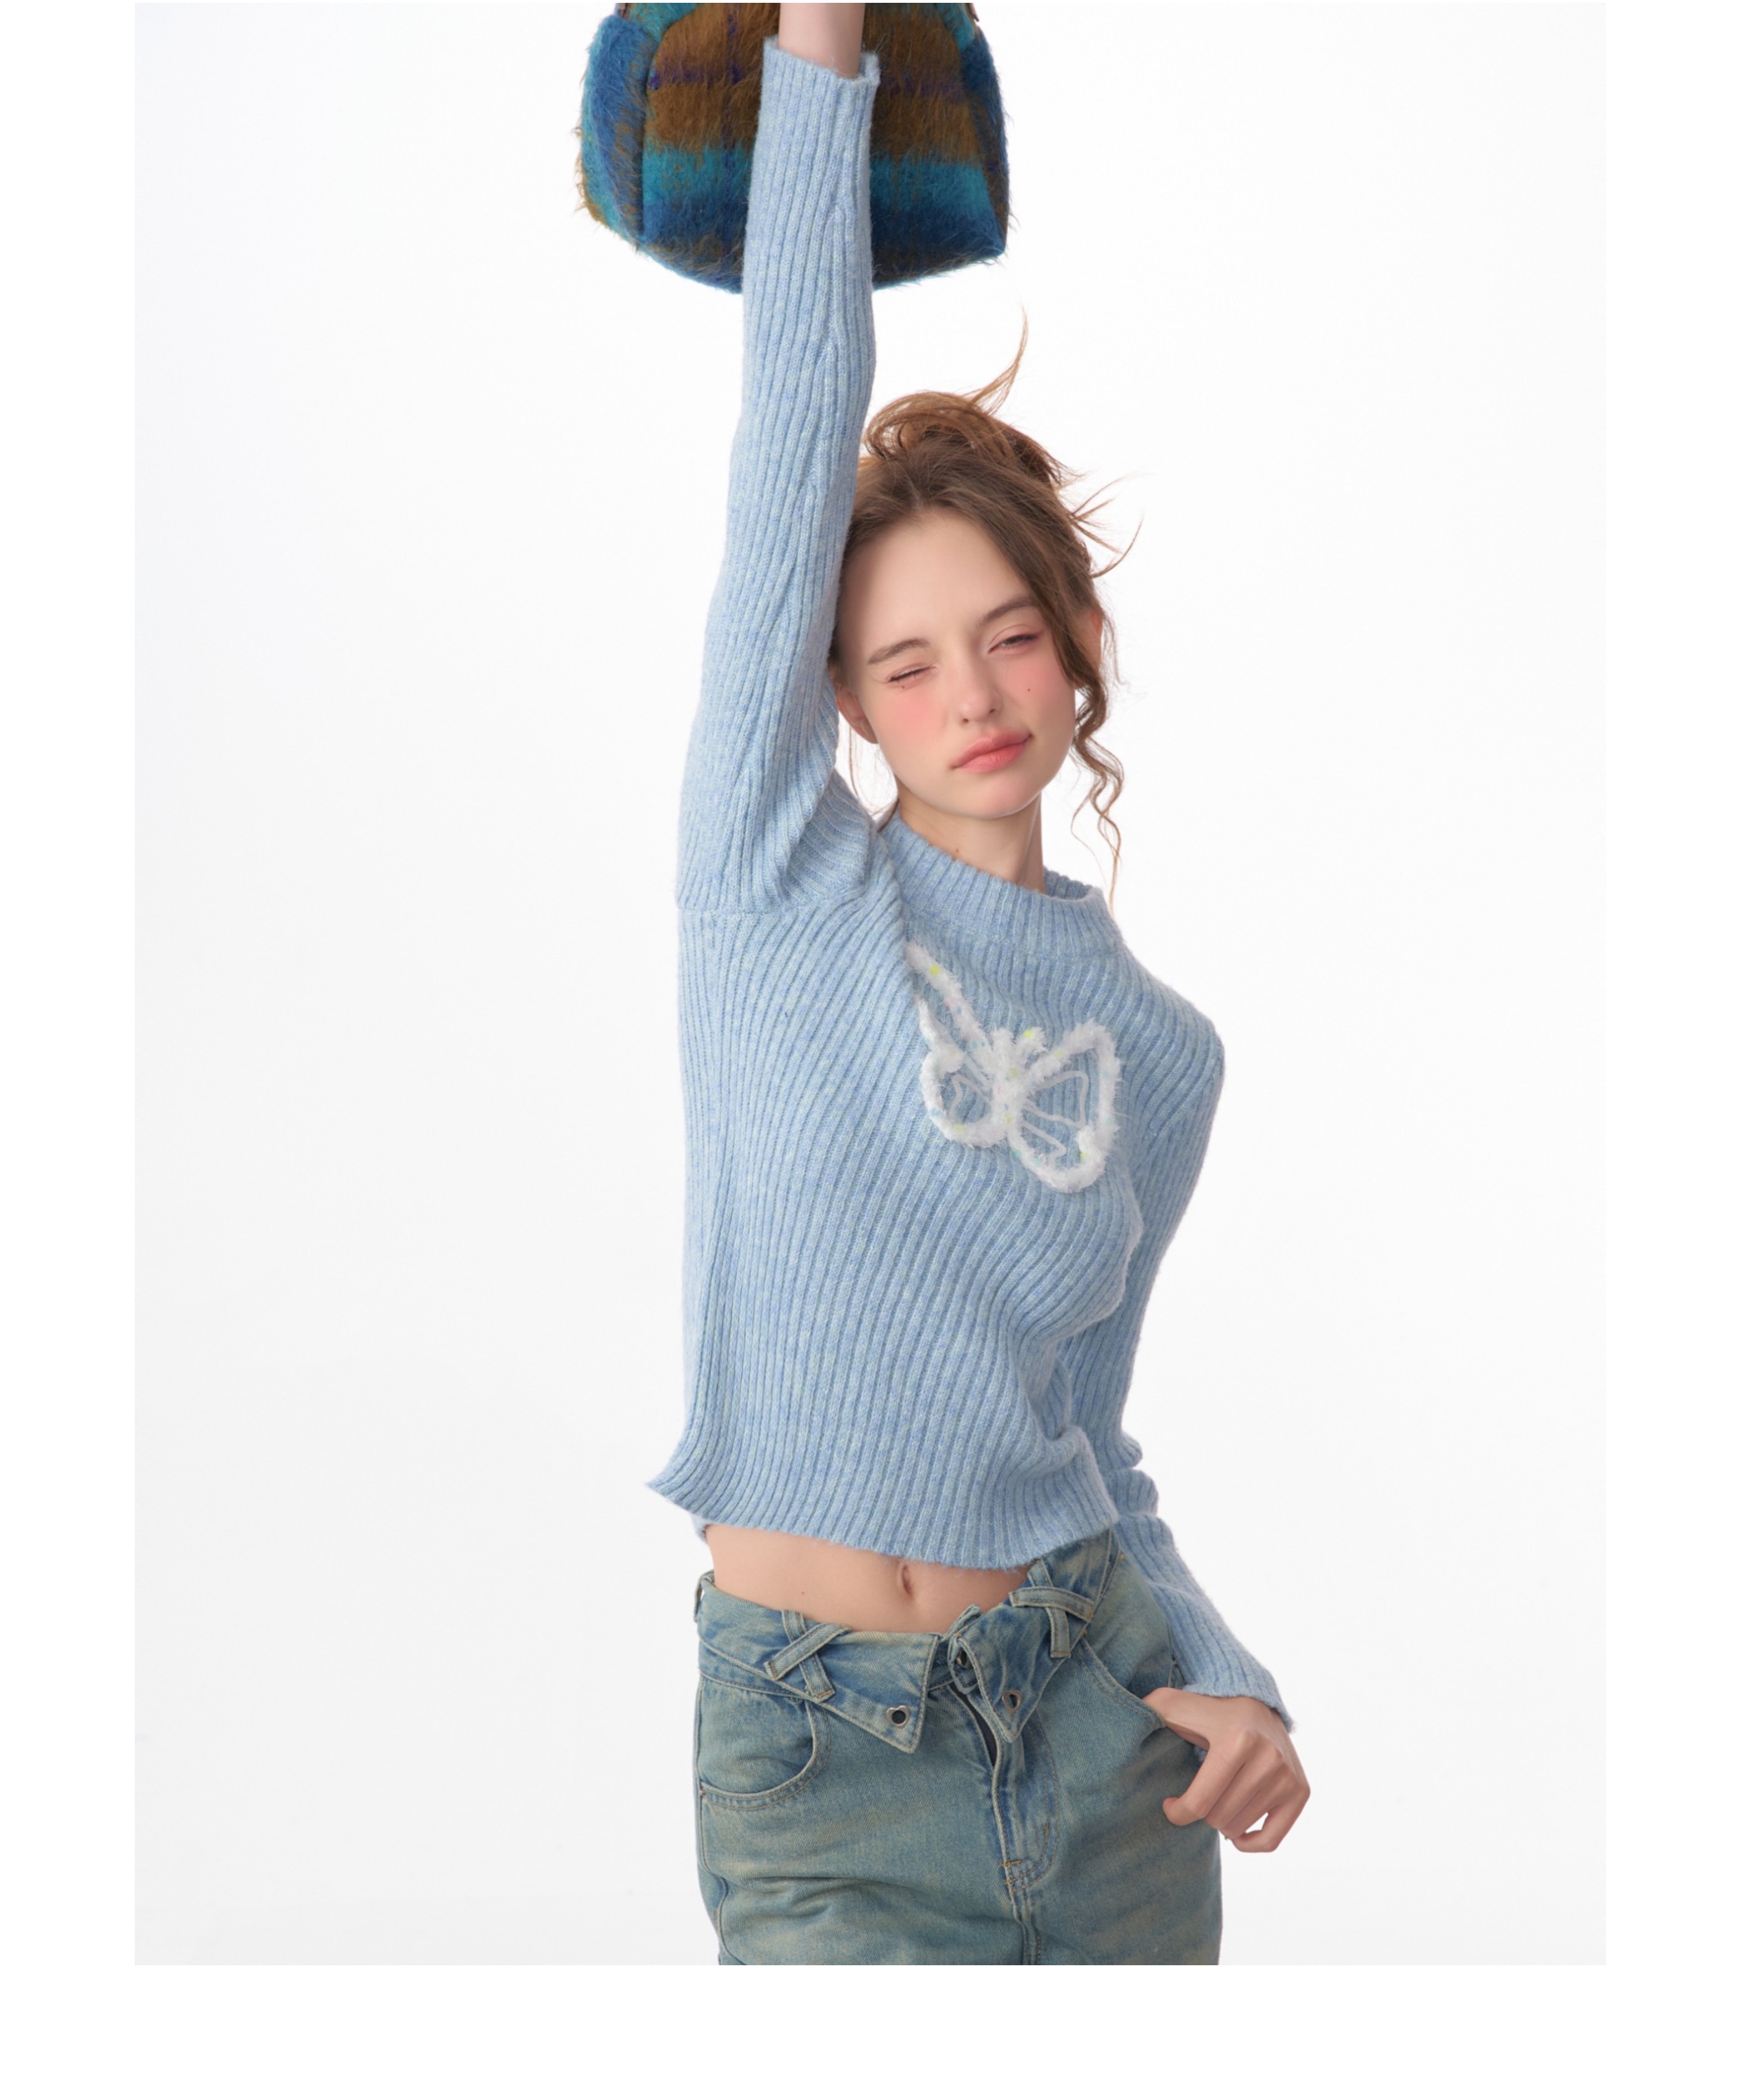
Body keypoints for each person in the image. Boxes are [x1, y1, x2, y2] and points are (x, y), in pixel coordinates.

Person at [646, 2, 1309, 1965]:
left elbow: (1087, 1433)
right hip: (820, 1758)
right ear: (842, 702)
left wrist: (1226, 1670)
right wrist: (824, 46)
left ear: (1078, 639)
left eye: (1010, 636)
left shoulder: (1164, 1059)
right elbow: (795, 407)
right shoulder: (774, 886)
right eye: (906, 664)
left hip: (1102, 1753)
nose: (972, 697)